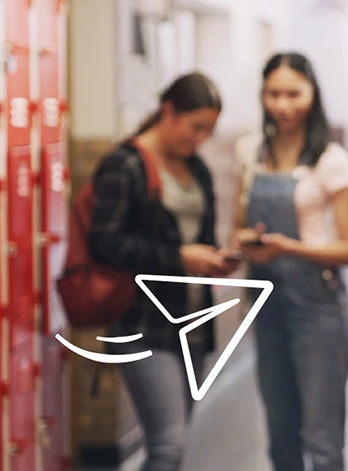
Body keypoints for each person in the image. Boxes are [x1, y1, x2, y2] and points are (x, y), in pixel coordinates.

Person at [88, 72, 237, 471]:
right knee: (168, 444)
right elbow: (104, 242)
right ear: (168, 112)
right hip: (142, 321)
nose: (201, 137)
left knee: (175, 438)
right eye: (196, 127)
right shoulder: (125, 165)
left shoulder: (198, 169)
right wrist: (179, 258)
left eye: (209, 130)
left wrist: (215, 259)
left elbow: (198, 238)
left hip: (191, 322)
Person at [232, 52, 348, 471]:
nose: (283, 105)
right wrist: (241, 245)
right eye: (274, 93)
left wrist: (288, 248)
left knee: (322, 442)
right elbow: (237, 225)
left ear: (313, 94)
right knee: (280, 436)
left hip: (318, 306)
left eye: (294, 93)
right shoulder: (249, 152)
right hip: (266, 305)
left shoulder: (330, 158)